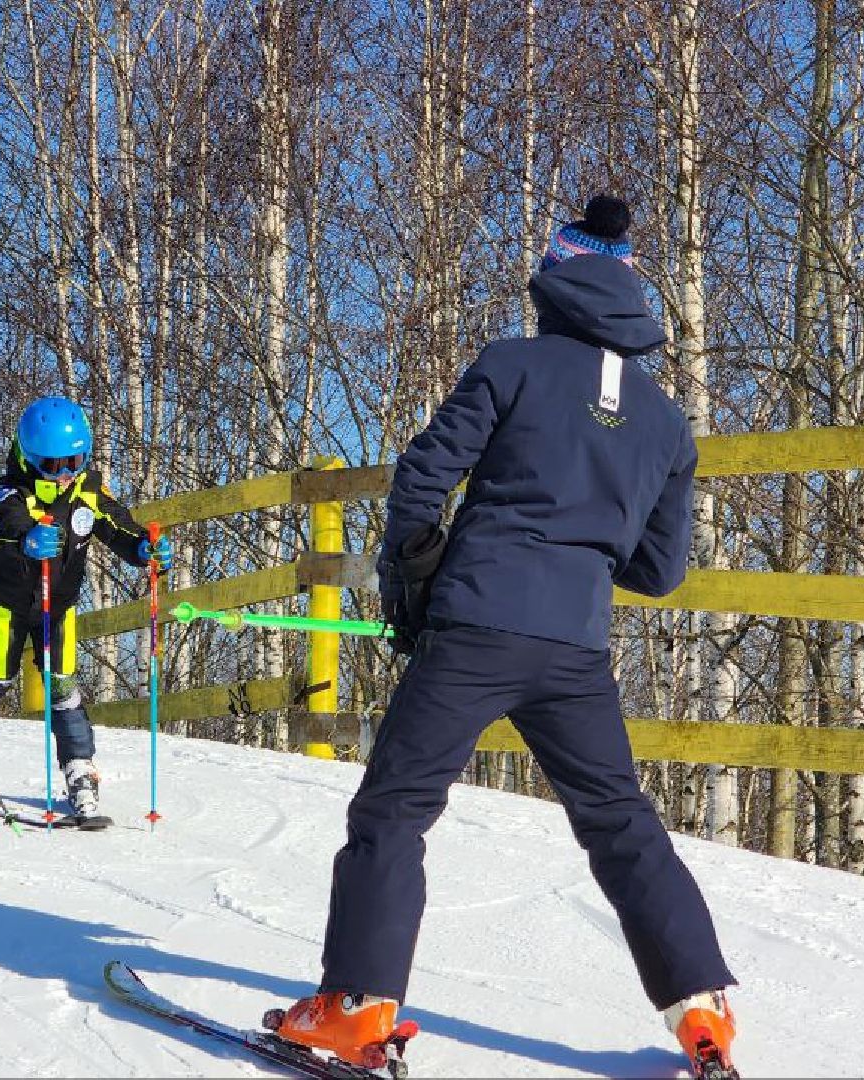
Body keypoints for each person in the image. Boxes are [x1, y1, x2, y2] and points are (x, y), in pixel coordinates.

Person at [269, 197, 740, 1080]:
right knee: (619, 823)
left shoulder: (510, 365)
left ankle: (355, 1008)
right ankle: (702, 1014)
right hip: (574, 649)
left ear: (554, 282)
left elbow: (423, 479)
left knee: (395, 808)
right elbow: (660, 571)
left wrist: (413, 579)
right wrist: (585, 541)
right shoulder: (667, 422)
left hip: (478, 623)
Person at [0, 396, 170, 819]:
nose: (65, 474)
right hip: (9, 605)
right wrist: (27, 537)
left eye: (74, 461)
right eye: (52, 465)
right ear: (30, 459)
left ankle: (79, 765)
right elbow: (5, 520)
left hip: (57, 607)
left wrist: (143, 548)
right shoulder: (11, 489)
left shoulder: (89, 490)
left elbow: (118, 525)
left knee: (62, 684)